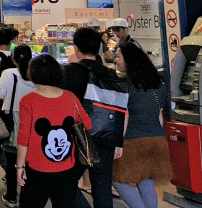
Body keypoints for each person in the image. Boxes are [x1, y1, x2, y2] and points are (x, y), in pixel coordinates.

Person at [16, 54, 92, 208]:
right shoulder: (70, 97)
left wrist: (20, 167)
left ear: (32, 73)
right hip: (67, 169)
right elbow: (88, 124)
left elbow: (24, 137)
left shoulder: (28, 100)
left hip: (37, 171)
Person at [64, 27, 124, 208]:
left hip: (77, 135)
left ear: (76, 48)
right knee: (102, 187)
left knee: (65, 181)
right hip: (106, 134)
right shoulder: (110, 74)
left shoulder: (69, 72)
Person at [112, 42, 173, 208]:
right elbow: (160, 115)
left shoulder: (125, 86)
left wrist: (118, 143)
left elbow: (124, 116)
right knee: (145, 183)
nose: (115, 60)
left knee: (118, 180)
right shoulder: (158, 85)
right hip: (156, 139)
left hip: (133, 141)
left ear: (129, 61)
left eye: (118, 56)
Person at [0, 44, 37, 208]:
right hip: (33, 120)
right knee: (30, 161)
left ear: (13, 59)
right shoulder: (35, 73)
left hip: (12, 121)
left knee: (12, 161)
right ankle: (28, 198)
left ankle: (11, 197)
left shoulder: (9, 74)